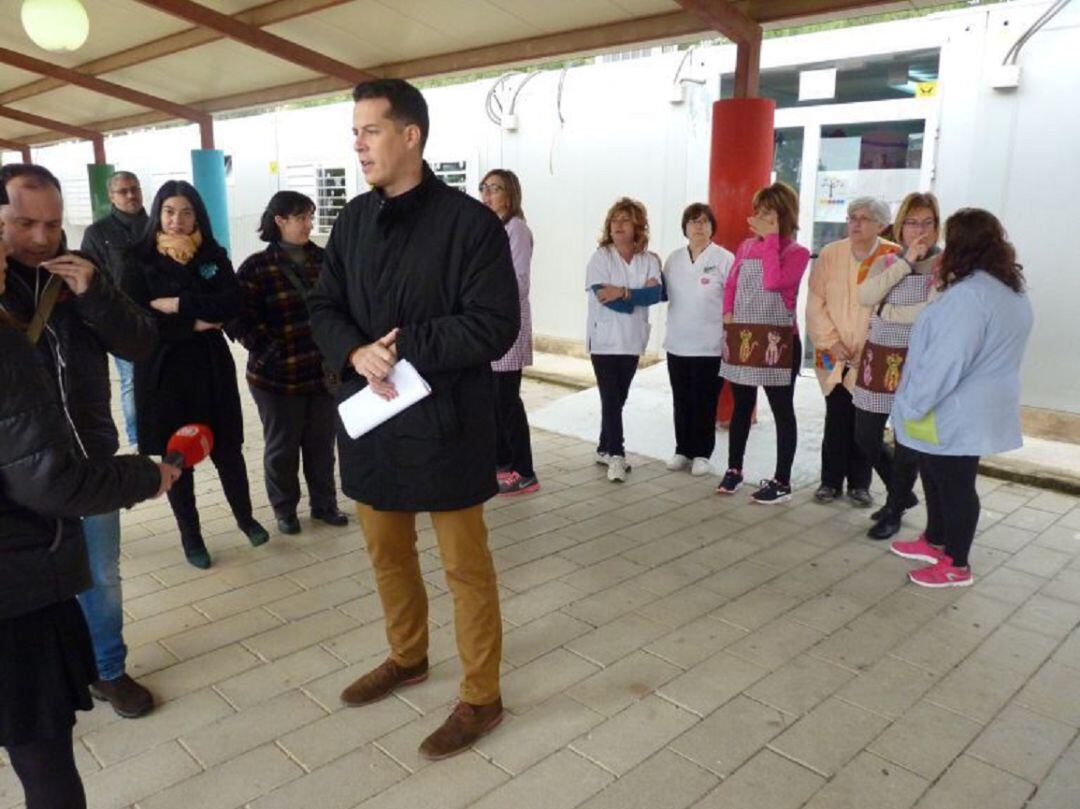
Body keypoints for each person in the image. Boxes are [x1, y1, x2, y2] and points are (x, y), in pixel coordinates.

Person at [308, 78, 519, 760]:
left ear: (410, 136)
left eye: (370, 130)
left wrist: (400, 347)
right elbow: (324, 306)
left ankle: (482, 696)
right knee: (386, 552)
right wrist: (353, 349)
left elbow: (493, 326)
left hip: (447, 424)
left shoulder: (470, 224)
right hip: (373, 420)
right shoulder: (353, 222)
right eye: (355, 132)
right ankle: (408, 655)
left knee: (465, 567)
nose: (358, 143)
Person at [1, 179, 179, 809]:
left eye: (53, 224)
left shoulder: (76, 276)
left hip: (86, 465)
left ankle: (107, 669)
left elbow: (141, 343)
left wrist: (96, 293)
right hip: (25, 488)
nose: (43, 238)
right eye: (25, 224)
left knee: (99, 574)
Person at [122, 181, 269, 570]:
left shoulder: (212, 254)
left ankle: (246, 517)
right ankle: (192, 537)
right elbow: (137, 318)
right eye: (169, 211)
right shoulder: (138, 258)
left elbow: (233, 301)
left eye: (186, 212)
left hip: (210, 366)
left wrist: (179, 304)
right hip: (162, 370)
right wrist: (195, 323)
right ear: (158, 213)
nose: (177, 220)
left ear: (197, 215)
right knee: (176, 455)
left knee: (228, 448)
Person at [890, 208, 1032, 587]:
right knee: (936, 474)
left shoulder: (970, 296)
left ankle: (956, 563)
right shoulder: (1005, 290)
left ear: (961, 246)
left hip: (952, 407)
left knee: (955, 484)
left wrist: (914, 402)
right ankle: (935, 540)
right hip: (968, 406)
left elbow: (946, 360)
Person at [232, 191, 349, 536]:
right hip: (275, 379)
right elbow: (239, 320)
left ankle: (324, 504)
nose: (308, 225)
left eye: (310, 217)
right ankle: (285, 510)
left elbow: (341, 307)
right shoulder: (256, 267)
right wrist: (269, 353)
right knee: (282, 447)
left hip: (320, 373)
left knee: (321, 444)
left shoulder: (325, 260)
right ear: (279, 221)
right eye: (301, 218)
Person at [716, 182, 811, 504]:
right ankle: (734, 469)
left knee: (782, 411)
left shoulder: (796, 253)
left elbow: (773, 282)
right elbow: (731, 284)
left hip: (779, 342)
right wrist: (728, 314)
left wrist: (771, 239)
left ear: (783, 216)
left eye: (768, 212)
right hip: (744, 337)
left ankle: (782, 480)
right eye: (758, 211)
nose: (759, 217)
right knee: (742, 405)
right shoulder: (744, 247)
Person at [855, 192, 942, 540]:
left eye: (927, 223)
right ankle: (903, 494)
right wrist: (907, 261)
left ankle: (893, 508)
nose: (919, 229)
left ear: (937, 226)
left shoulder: (945, 264)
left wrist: (887, 312)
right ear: (901, 226)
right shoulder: (888, 261)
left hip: (918, 363)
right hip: (878, 359)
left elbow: (932, 311)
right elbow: (864, 296)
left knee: (908, 442)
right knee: (865, 435)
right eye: (912, 222)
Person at [805, 197, 898, 507]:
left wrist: (871, 347)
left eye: (865, 218)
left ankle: (860, 483)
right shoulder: (831, 253)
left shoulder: (893, 256)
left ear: (881, 225)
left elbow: (897, 310)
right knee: (836, 414)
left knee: (866, 420)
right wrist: (831, 341)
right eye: (852, 217)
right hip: (832, 351)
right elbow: (815, 302)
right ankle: (830, 481)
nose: (856, 223)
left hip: (871, 353)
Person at [585, 197, 663, 483]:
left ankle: (604, 447)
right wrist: (633, 298)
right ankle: (617, 455)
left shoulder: (648, 260)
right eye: (614, 220)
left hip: (632, 339)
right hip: (604, 340)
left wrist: (624, 292)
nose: (617, 225)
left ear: (637, 226)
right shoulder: (601, 257)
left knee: (619, 397)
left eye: (624, 220)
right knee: (610, 397)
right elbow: (603, 296)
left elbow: (656, 295)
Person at [662, 202, 734, 477]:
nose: (699, 227)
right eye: (693, 222)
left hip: (710, 345)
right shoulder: (674, 259)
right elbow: (662, 292)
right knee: (681, 399)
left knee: (705, 401)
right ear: (685, 228)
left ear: (712, 227)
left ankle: (703, 453)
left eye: (704, 222)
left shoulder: (724, 258)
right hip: (678, 342)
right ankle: (683, 450)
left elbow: (733, 299)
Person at [480, 169, 539, 496]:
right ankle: (502, 463)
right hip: (489, 325)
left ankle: (525, 470)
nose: (487, 195)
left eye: (496, 188)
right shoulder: (491, 229)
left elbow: (518, 282)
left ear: (510, 195)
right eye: (484, 188)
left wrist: (480, 293)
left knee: (506, 400)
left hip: (507, 324)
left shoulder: (516, 229)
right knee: (492, 400)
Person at [80, 170, 147, 450]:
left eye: (135, 188)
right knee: (132, 380)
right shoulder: (98, 233)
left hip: (164, 318)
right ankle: (137, 439)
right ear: (111, 196)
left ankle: (165, 427)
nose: (131, 195)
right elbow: (93, 279)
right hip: (123, 322)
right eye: (123, 191)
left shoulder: (157, 224)